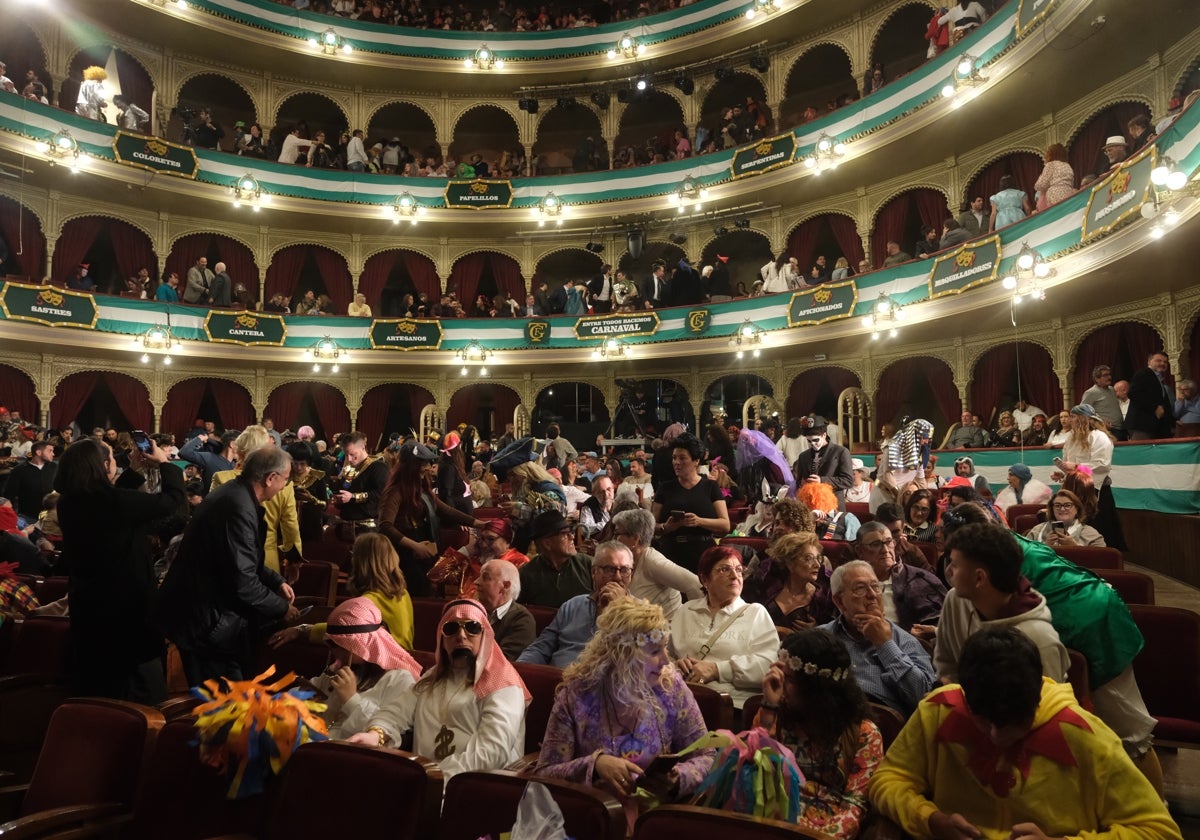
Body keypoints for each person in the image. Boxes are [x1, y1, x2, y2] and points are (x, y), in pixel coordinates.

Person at [869, 628, 1182, 840]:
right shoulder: (936, 711)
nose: (995, 735)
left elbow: (1159, 831)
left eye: (1012, 724)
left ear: (1036, 700)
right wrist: (930, 820)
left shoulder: (1088, 737)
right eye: (983, 721)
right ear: (965, 697)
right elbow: (887, 779)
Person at [534, 596, 714, 832]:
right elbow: (544, 774)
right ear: (623, 655)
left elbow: (708, 755)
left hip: (655, 822)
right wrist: (596, 764)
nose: (666, 661)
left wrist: (678, 777)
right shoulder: (577, 695)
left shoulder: (671, 687)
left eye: (665, 648)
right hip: (591, 822)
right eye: (654, 651)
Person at [55, 437, 185, 702]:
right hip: (127, 612)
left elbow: (113, 505)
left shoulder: (68, 502)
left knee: (97, 686)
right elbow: (173, 503)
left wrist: (133, 472)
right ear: (103, 466)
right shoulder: (115, 503)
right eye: (113, 459)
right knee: (138, 692)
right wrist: (165, 464)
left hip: (89, 606)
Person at [158, 447, 300, 684]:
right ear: (270, 478)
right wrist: (282, 609)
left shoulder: (235, 493)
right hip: (205, 621)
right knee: (222, 703)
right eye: (285, 480)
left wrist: (276, 581)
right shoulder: (238, 507)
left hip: (206, 614)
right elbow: (242, 582)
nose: (284, 487)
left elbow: (239, 559)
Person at [349, 598, 530, 780]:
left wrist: (435, 779)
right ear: (442, 639)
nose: (461, 635)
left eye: (472, 627)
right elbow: (395, 712)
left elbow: (490, 753)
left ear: (485, 635)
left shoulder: (502, 682)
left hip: (475, 787)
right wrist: (376, 734)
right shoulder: (434, 677)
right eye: (451, 629)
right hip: (423, 780)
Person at [753, 629, 883, 838]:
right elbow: (752, 772)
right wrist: (769, 708)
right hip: (767, 819)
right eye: (779, 672)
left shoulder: (863, 733)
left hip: (824, 829)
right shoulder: (775, 714)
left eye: (790, 679)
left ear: (817, 689)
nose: (779, 682)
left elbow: (854, 806)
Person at [935, 522, 1069, 685]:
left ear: (979, 578)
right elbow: (945, 667)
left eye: (954, 565)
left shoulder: (1039, 638)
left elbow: (1048, 706)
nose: (948, 570)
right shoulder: (956, 600)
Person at [668, 545, 776, 709]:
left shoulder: (755, 613)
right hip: (681, 701)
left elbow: (769, 665)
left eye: (739, 570)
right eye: (724, 569)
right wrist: (674, 665)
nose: (734, 576)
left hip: (732, 705)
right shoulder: (686, 610)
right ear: (705, 579)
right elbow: (663, 654)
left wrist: (718, 670)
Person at [269, 532, 415, 650]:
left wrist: (300, 630)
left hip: (380, 674)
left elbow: (338, 631)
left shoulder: (367, 602)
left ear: (360, 563)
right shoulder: (403, 594)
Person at [307, 597, 424, 739]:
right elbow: (313, 688)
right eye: (332, 644)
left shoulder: (399, 679)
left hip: (350, 754)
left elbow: (385, 732)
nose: (335, 652)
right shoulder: (340, 666)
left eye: (340, 645)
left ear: (364, 644)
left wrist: (351, 699)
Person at [377, 438, 481, 598]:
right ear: (410, 466)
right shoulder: (396, 491)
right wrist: (414, 546)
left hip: (421, 548)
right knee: (417, 593)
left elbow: (445, 510)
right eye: (422, 463)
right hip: (402, 554)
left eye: (427, 463)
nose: (427, 468)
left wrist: (476, 523)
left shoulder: (421, 488)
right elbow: (385, 526)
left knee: (427, 591)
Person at [518, 541, 634, 668]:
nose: (618, 577)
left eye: (624, 570)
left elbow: (632, 661)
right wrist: (519, 668)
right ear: (594, 572)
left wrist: (619, 610)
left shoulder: (643, 614)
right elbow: (542, 647)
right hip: (557, 679)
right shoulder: (572, 605)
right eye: (610, 569)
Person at [210, 425, 300, 574]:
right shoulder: (284, 484)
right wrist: (294, 561)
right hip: (268, 560)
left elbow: (214, 522)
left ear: (240, 450)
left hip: (228, 558)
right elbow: (290, 525)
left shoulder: (222, 478)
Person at [652, 432, 730, 573]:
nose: (676, 462)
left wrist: (699, 521)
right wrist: (666, 527)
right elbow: (652, 526)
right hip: (671, 553)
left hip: (703, 552)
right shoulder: (665, 488)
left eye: (682, 458)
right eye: (674, 458)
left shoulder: (710, 487)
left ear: (696, 461)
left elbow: (725, 525)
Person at [851, 521, 945, 633]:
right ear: (859, 551)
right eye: (875, 544)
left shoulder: (919, 579)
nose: (885, 550)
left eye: (888, 542)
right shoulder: (850, 583)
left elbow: (939, 626)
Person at [610, 508, 702, 620]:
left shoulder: (653, 561)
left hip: (665, 632)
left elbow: (696, 586)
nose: (613, 540)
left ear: (635, 539)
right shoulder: (627, 562)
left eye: (617, 534)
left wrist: (691, 623)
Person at [1052, 403, 1123, 548]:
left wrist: (1076, 467)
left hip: (1093, 491)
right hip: (1074, 489)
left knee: (1097, 526)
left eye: (1073, 417)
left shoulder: (1099, 437)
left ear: (1084, 419)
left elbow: (1101, 466)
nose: (1070, 420)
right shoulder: (1071, 438)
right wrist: (1063, 472)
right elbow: (1068, 462)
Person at [764, 531, 835, 638]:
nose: (817, 564)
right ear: (790, 563)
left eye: (818, 558)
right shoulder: (767, 586)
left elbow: (835, 633)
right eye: (809, 558)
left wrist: (817, 630)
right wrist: (782, 631)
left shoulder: (823, 596)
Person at [518, 509, 593, 608]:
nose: (572, 537)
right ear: (547, 544)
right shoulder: (527, 574)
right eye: (565, 534)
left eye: (571, 532)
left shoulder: (588, 564)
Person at [476, 558, 536, 660]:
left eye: (485, 577)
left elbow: (502, 662)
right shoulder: (471, 611)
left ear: (505, 586)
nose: (476, 582)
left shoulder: (522, 620)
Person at [791, 414, 854, 509]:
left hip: (832, 506)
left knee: (832, 524)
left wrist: (822, 480)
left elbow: (848, 481)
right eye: (809, 441)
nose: (812, 444)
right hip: (810, 506)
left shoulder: (841, 452)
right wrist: (801, 483)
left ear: (824, 435)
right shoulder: (803, 456)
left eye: (816, 440)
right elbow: (799, 482)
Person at [1025, 489, 1105, 547]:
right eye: (1057, 505)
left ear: (1077, 509)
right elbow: (1023, 556)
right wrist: (1045, 547)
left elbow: (1101, 560)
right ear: (1052, 509)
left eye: (1067, 505)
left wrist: (1075, 548)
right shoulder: (1037, 530)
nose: (1062, 509)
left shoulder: (1091, 534)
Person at [1126, 351, 1175, 440]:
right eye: (1158, 361)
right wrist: (1154, 407)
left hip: (1154, 426)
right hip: (1142, 425)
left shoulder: (1157, 378)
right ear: (1149, 361)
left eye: (1165, 362)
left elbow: (1162, 402)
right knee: (1141, 452)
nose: (1162, 363)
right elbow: (1133, 393)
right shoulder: (1144, 373)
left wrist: (1172, 420)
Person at [1034, 142, 1075, 210]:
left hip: (1054, 197)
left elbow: (1040, 185)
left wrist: (1040, 177)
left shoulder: (1051, 165)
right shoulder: (1068, 166)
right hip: (1069, 195)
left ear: (1051, 154)